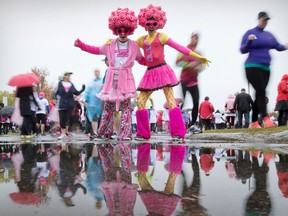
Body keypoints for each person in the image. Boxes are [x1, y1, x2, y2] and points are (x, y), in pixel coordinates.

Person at [135, 4, 210, 142]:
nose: (151, 25)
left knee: (171, 101)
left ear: (158, 23)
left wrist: (198, 57)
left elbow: (180, 48)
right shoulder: (141, 40)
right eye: (148, 23)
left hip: (163, 71)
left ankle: (178, 132)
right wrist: (112, 45)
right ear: (144, 24)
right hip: (149, 74)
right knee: (140, 101)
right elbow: (129, 47)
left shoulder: (162, 36)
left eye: (154, 23)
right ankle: (143, 133)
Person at [74, 7, 146, 141]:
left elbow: (142, 60)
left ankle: (125, 134)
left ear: (130, 29)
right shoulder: (110, 45)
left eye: (125, 30)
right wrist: (81, 45)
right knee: (108, 107)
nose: (123, 33)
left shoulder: (134, 46)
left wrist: (154, 60)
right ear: (115, 29)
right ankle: (104, 133)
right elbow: (95, 50)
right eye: (120, 30)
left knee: (125, 108)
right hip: (112, 81)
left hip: (126, 80)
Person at [240, 11, 288, 128]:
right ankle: (266, 118)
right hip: (251, 67)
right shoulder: (250, 33)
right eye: (263, 20)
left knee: (259, 93)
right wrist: (249, 41)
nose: (265, 22)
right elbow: (243, 49)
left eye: (266, 20)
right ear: (259, 19)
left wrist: (285, 46)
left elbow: (278, 46)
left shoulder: (268, 35)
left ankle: (254, 122)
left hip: (265, 68)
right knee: (261, 91)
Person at [176, 32, 204, 127]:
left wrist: (198, 68)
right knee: (183, 101)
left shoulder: (198, 53)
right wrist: (189, 65)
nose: (195, 40)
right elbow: (177, 63)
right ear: (190, 38)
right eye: (193, 38)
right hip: (184, 80)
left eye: (196, 38)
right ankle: (176, 121)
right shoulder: (184, 50)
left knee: (196, 102)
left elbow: (203, 66)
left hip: (194, 81)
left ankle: (193, 125)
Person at [54, 72, 85, 139]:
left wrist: (82, 89)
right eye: (67, 75)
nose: (68, 77)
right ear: (64, 76)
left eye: (69, 76)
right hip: (62, 104)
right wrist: (54, 97)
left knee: (66, 119)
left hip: (69, 105)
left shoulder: (71, 84)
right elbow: (57, 92)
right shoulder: (60, 83)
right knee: (62, 119)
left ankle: (65, 133)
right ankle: (63, 134)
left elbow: (76, 93)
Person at [84, 68, 103, 135]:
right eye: (95, 72)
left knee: (101, 117)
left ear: (99, 72)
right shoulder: (91, 82)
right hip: (92, 103)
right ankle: (95, 132)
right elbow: (87, 92)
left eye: (97, 71)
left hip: (101, 102)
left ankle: (100, 132)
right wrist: (86, 100)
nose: (96, 73)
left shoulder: (102, 81)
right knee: (93, 117)